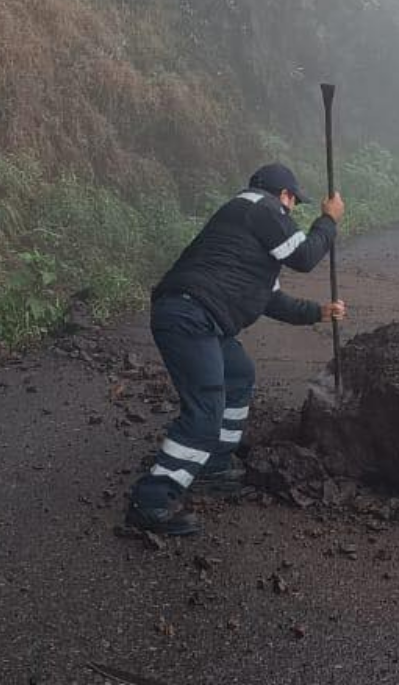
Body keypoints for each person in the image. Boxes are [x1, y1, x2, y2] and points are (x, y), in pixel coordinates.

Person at [125, 163, 345, 537]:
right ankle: (151, 502)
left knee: (239, 374)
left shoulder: (246, 236)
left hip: (198, 315)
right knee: (205, 413)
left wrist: (318, 313)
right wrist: (328, 220)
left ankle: (214, 465)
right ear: (285, 195)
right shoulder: (261, 206)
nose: (292, 211)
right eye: (294, 202)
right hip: (191, 316)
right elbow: (305, 257)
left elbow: (271, 301)